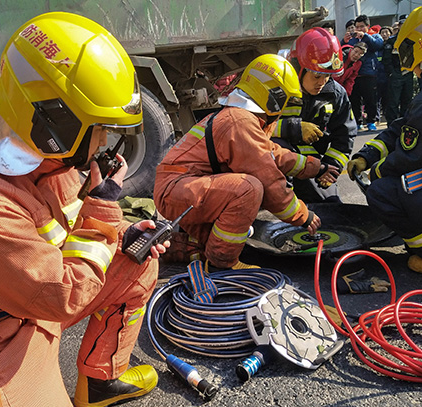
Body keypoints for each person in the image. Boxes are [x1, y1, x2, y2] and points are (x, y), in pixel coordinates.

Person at [0, 12, 169, 407]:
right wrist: (102, 216)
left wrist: (120, 241)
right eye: (99, 127)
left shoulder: (49, 163)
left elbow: (59, 245)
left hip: (34, 294)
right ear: (55, 122)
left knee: (138, 263)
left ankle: (100, 383)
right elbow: (64, 296)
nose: (103, 141)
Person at [153, 54, 338, 271]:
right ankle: (222, 264)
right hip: (177, 190)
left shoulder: (240, 117)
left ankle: (192, 248)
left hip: (182, 188)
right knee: (248, 189)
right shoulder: (240, 122)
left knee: (230, 221)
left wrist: (316, 167)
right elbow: (268, 177)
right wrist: (303, 216)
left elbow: (272, 154)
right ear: (273, 96)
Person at [347, 0, 422, 275]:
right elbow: (406, 126)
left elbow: (410, 158)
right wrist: (369, 154)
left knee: (384, 191)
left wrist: (374, 172)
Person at [274, 28, 356, 203]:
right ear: (298, 68)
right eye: (317, 76)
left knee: (330, 207)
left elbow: (345, 136)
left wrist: (329, 168)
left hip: (312, 164)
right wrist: (294, 128)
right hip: (275, 162)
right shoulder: (276, 88)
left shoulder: (335, 94)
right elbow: (250, 128)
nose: (322, 83)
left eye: (327, 76)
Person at [344, 15, 384, 131]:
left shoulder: (374, 36)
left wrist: (365, 36)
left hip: (369, 74)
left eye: (362, 27)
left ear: (368, 26)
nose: (359, 29)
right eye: (357, 27)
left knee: (370, 99)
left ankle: (371, 121)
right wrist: (344, 40)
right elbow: (345, 50)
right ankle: (357, 122)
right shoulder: (353, 38)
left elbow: (377, 45)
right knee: (355, 100)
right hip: (353, 74)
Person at [383, 16, 414, 125]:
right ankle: (392, 123)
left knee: (407, 100)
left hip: (408, 73)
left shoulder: (412, 39)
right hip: (396, 73)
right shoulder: (392, 41)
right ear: (399, 25)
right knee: (393, 101)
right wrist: (392, 73)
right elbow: (386, 59)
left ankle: (405, 122)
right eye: (402, 24)